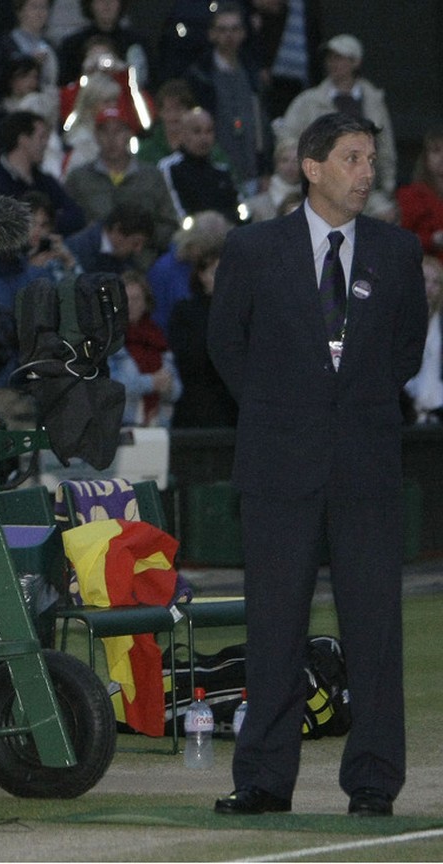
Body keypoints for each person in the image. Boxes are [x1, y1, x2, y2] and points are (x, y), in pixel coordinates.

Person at [207, 112, 426, 818]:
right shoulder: (252, 247)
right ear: (311, 166)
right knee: (274, 629)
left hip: (364, 465)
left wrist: (342, 409)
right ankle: (265, 780)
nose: (367, 172)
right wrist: (284, 409)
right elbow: (225, 347)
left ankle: (373, 781)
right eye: (353, 158)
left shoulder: (395, 252)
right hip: (278, 464)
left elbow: (406, 354)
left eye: (372, 158)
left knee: (375, 630)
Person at [277, 35, 397, 220]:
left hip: (367, 189)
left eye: (340, 58)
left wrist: (388, 185)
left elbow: (385, 146)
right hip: (322, 190)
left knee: (386, 218)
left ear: (355, 62)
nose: (334, 64)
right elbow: (287, 139)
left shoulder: (373, 100)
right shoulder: (309, 101)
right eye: (330, 58)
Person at [64, 106, 179, 251]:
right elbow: (67, 224)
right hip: (93, 264)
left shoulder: (151, 176)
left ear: (129, 134)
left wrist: (140, 237)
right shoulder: (79, 178)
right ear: (96, 135)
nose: (111, 139)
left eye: (118, 131)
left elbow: (170, 224)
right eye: (104, 131)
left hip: (142, 263)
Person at [183, 3, 266, 199]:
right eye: (222, 29)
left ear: (244, 33)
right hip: (215, 170)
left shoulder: (253, 73)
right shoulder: (199, 75)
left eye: (235, 29)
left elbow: (262, 123)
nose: (229, 35)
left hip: (253, 171)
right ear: (212, 34)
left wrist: (265, 168)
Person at [167, 236, 236, 428]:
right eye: (215, 272)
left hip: (234, 407)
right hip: (198, 404)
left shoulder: (243, 311)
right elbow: (189, 356)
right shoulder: (186, 311)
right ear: (201, 275)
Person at [110, 270, 180, 427]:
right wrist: (150, 383)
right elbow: (108, 386)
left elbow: (177, 389)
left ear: (146, 302)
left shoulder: (157, 339)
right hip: (121, 428)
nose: (130, 305)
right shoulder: (107, 341)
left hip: (158, 426)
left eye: (136, 299)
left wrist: (167, 386)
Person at [158, 108, 241, 224]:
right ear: (183, 134)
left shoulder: (221, 170)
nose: (204, 138)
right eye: (197, 131)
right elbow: (175, 210)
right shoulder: (169, 167)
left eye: (209, 131)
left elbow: (237, 206)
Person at [64, 201, 155, 276]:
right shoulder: (76, 250)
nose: (138, 250)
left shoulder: (129, 262)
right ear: (117, 230)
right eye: (135, 243)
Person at [404, 257, 443, 424]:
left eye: (437, 282)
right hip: (404, 410)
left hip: (438, 410)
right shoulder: (397, 322)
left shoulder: (440, 324)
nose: (430, 287)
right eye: (425, 280)